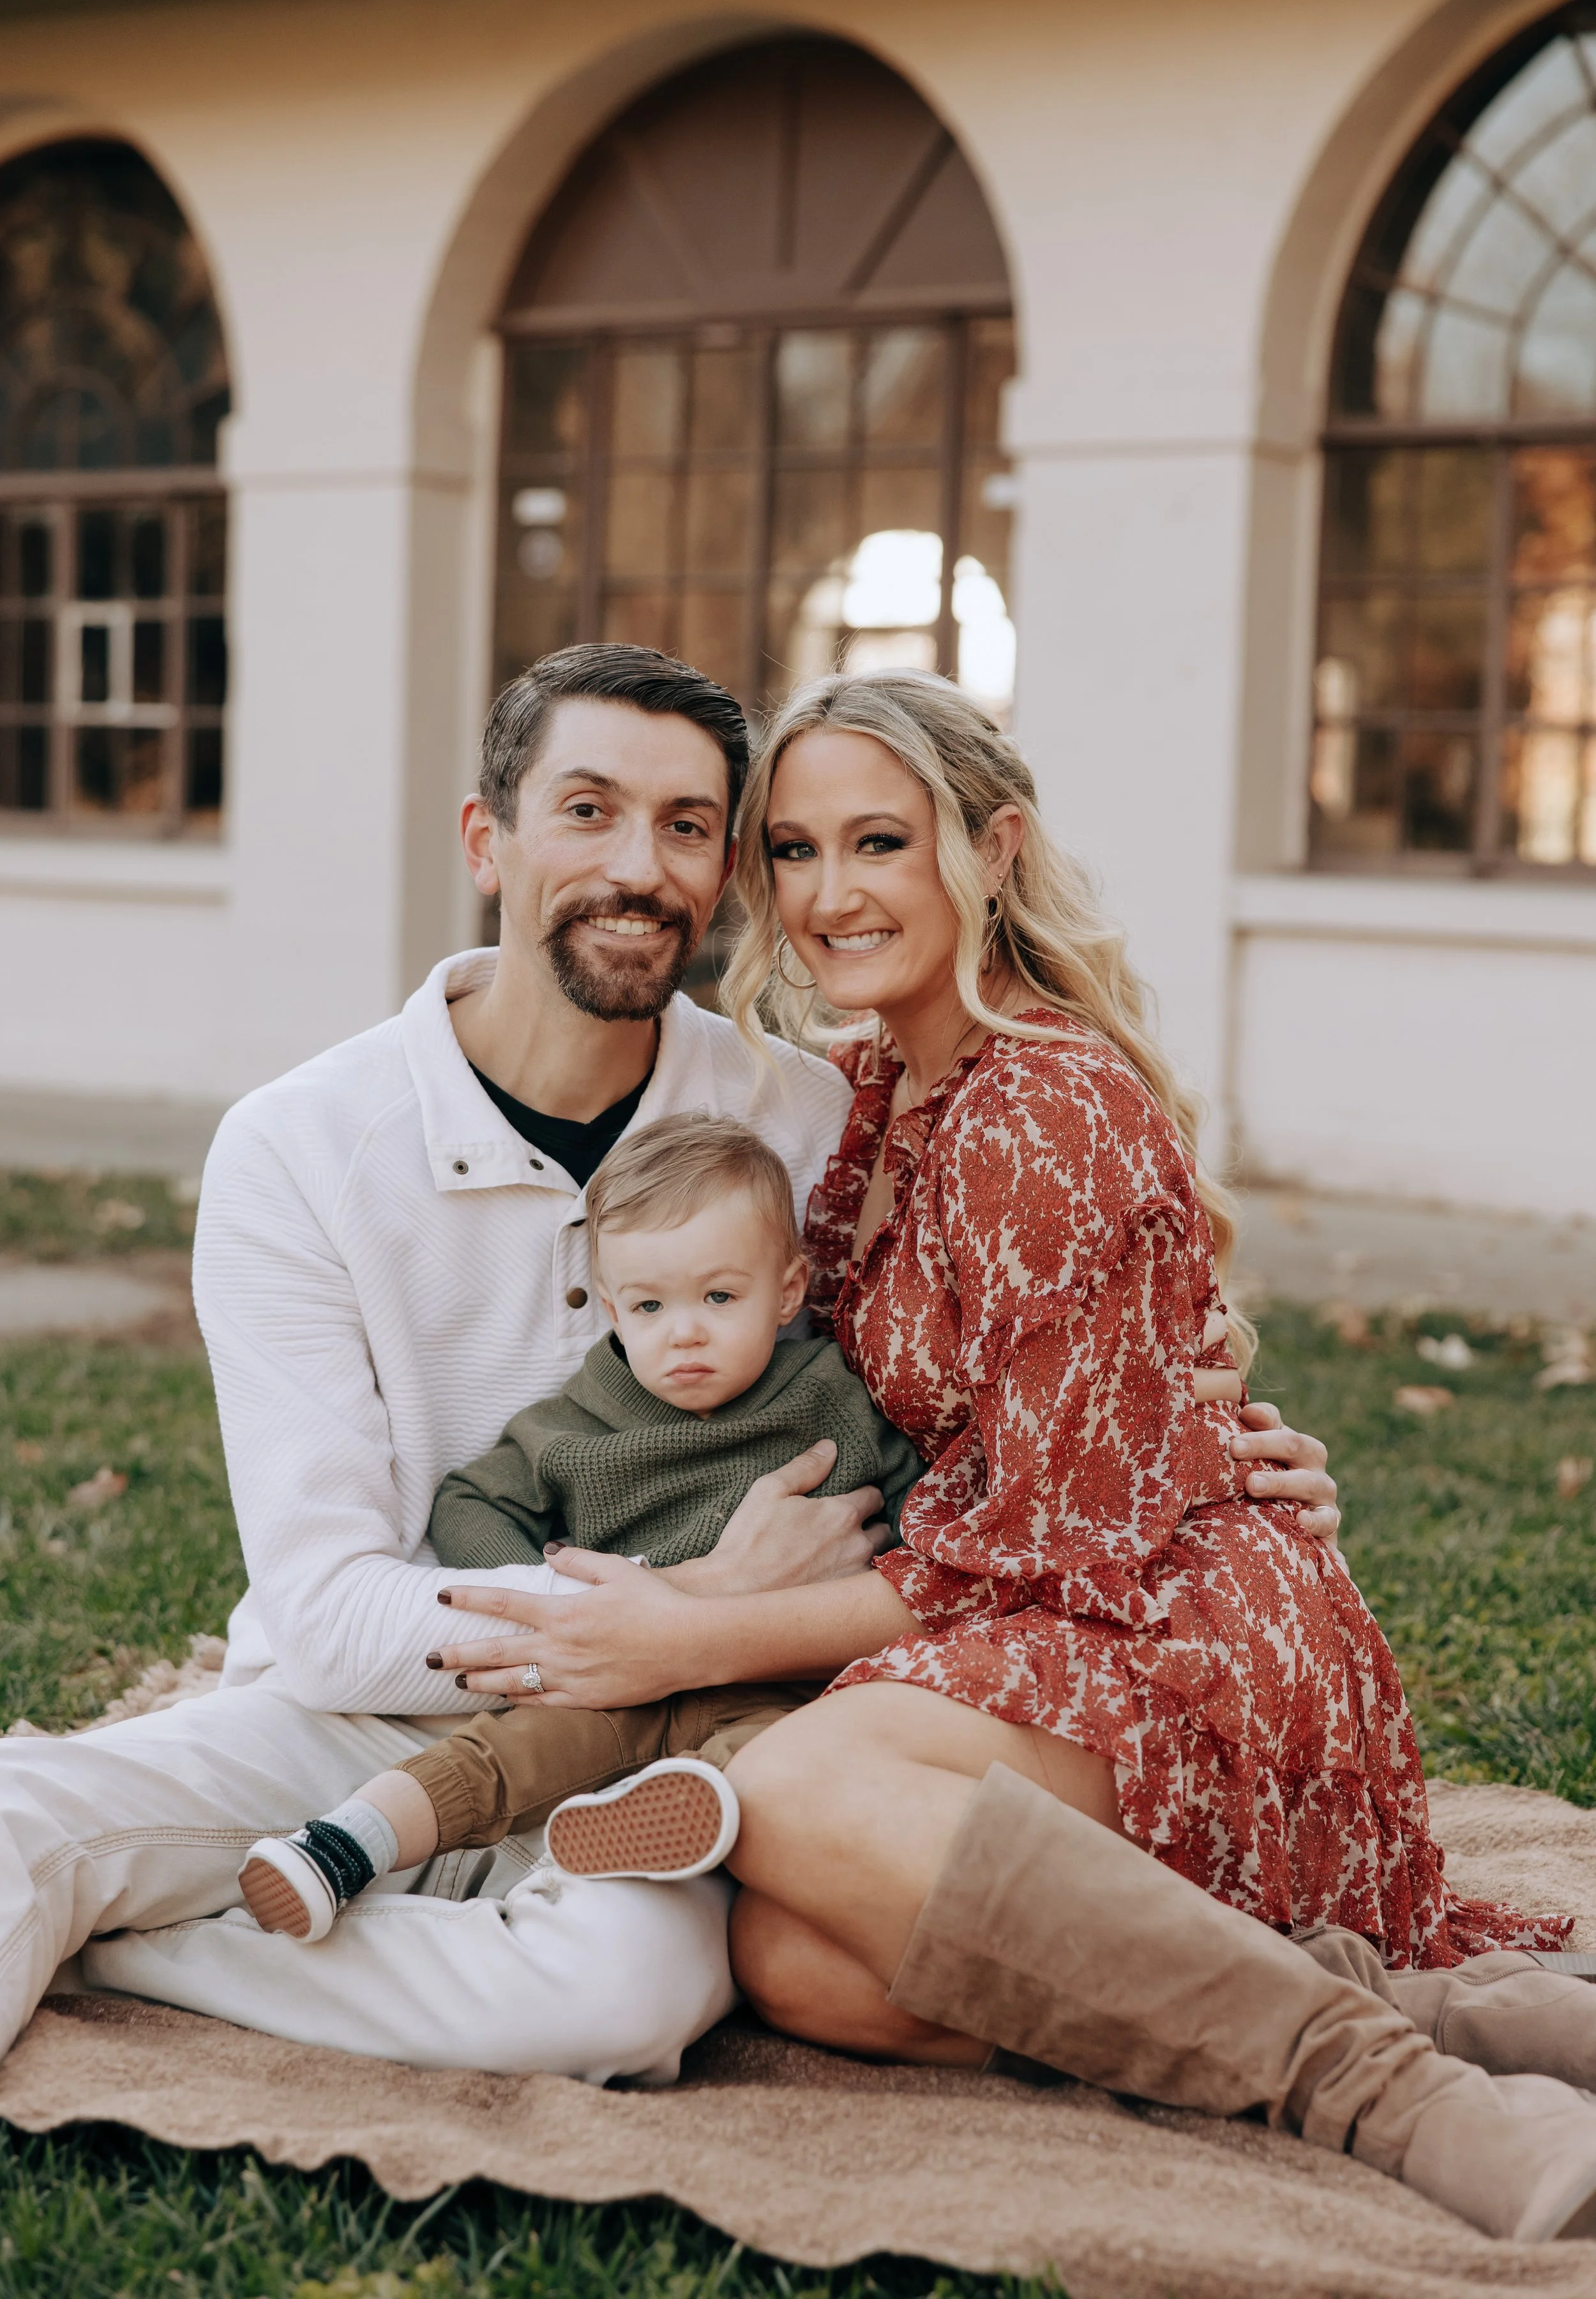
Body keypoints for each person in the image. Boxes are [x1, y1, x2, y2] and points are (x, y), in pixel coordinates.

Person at [38, 638, 1332, 2087]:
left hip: (688, 1754)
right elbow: (332, 1614)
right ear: (489, 839)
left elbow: (995, 1384)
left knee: (623, 1998)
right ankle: (193, 1879)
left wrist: (1215, 1476)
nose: (635, 867)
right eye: (585, 810)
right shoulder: (298, 1144)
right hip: (364, 1700)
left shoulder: (803, 1120)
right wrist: (687, 1605)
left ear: (722, 877)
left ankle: (147, 1949)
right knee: (36, 1818)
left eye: (688, 827)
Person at [423, 669, 1596, 2241]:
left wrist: (687, 1635)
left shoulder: (1043, 1106)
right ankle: (1424, 2012)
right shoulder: (860, 1093)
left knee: (797, 1787)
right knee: (802, 1965)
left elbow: (1039, 1540)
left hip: (1166, 1625)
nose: (828, 895)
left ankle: (1399, 2097)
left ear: (990, 850)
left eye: (878, 844)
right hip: (1022, 1604)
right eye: (791, 851)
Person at [232, 1113, 921, 1943]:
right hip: (612, 1677)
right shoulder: (580, 1423)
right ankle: (344, 1843)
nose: (685, 1329)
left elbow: (924, 1524)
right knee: (505, 1752)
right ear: (613, 1310)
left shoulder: (832, 1398)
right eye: (650, 1304)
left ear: (788, 1289)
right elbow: (470, 1502)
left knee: (773, 1770)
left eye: (720, 1296)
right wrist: (557, 1600)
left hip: (775, 1682)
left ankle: (640, 1828)